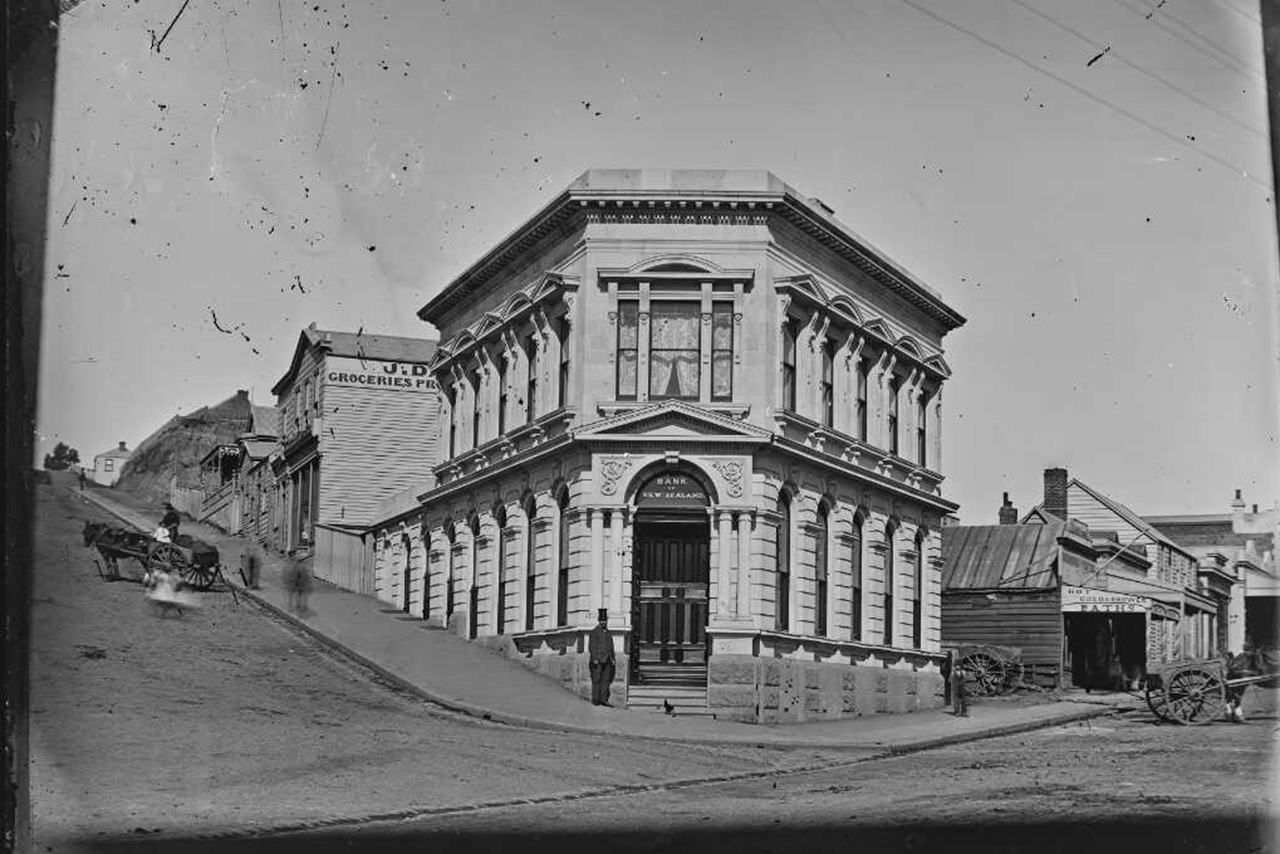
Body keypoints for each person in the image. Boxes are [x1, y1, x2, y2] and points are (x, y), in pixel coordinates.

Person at [588, 609, 616, 707]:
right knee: (596, 679)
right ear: (598, 621)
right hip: (598, 660)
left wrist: (612, 659)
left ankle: (603, 700)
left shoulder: (608, 632)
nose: (603, 622)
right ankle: (595, 700)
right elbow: (592, 646)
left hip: (607, 660)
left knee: (605, 680)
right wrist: (595, 658)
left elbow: (611, 646)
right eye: (602, 620)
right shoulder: (594, 632)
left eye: (605, 620)